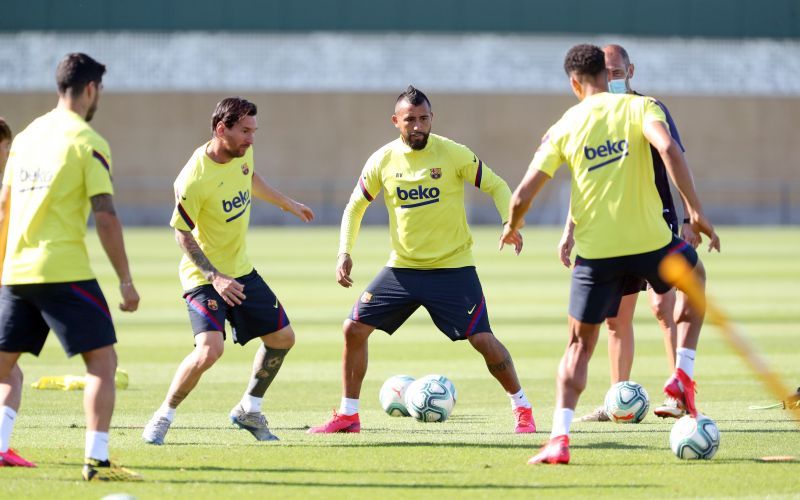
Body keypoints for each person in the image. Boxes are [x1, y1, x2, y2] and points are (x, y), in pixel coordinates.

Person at [500, 44, 720, 464]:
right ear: (607, 73)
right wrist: (696, 213)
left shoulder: (565, 124)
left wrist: (513, 225)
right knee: (696, 282)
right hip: (653, 243)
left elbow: (524, 191)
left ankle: (558, 440)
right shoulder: (642, 108)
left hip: (597, 255)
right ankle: (682, 375)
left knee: (579, 345)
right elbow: (670, 150)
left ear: (573, 83)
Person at [308, 86, 536, 435]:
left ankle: (522, 407)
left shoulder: (453, 153)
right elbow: (355, 206)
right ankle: (349, 415)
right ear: (396, 121)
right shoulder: (383, 160)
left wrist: (510, 222)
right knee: (353, 329)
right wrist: (344, 251)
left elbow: (497, 185)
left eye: (424, 119)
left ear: (432, 119)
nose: (417, 126)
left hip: (453, 269)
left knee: (483, 340)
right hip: (402, 270)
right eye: (410, 119)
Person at [0, 53, 141, 480]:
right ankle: (96, 459)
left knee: (4, 369)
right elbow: (105, 215)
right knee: (103, 363)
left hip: (15, 272)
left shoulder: (25, 137)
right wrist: (126, 280)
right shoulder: (88, 141)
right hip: (62, 270)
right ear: (91, 89)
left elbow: (4, 207)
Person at [142, 97, 314, 445]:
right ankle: (163, 415)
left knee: (283, 338)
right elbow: (181, 233)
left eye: (254, 131)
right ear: (222, 129)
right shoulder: (193, 178)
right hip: (204, 276)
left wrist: (288, 203)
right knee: (210, 350)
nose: (251, 139)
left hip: (241, 270)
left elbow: (250, 177)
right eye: (245, 131)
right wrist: (215, 277)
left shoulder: (241, 153)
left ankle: (249, 408)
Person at [558, 44, 700, 422]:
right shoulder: (591, 117)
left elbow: (674, 158)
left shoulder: (648, 108)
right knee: (615, 320)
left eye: (617, 72)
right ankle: (617, 399)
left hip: (656, 222)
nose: (611, 79)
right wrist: (569, 228)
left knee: (662, 308)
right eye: (606, 73)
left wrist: (689, 218)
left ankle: (679, 393)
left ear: (630, 71)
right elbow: (586, 180)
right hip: (611, 231)